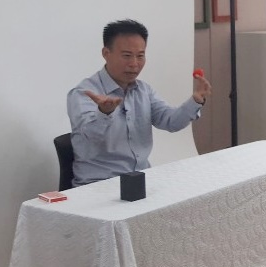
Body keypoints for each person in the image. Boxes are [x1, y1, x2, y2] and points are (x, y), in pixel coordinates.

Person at [66, 19, 211, 186]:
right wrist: (104, 113)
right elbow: (89, 138)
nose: (134, 64)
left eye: (140, 56)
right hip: (99, 185)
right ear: (106, 53)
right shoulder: (84, 93)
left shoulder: (143, 90)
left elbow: (170, 122)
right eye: (127, 56)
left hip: (141, 180)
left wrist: (196, 101)